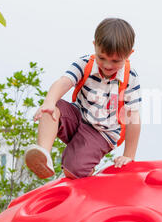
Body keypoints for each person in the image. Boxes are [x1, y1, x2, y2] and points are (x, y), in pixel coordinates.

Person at [24, 18, 142, 179]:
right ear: (95, 46)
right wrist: (49, 102)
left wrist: (129, 155)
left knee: (72, 170)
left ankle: (85, 170)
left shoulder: (130, 78)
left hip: (101, 133)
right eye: (102, 58)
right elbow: (64, 82)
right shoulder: (85, 63)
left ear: (129, 54)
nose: (107, 65)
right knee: (51, 107)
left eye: (115, 61)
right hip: (78, 117)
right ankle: (43, 154)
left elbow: (132, 117)